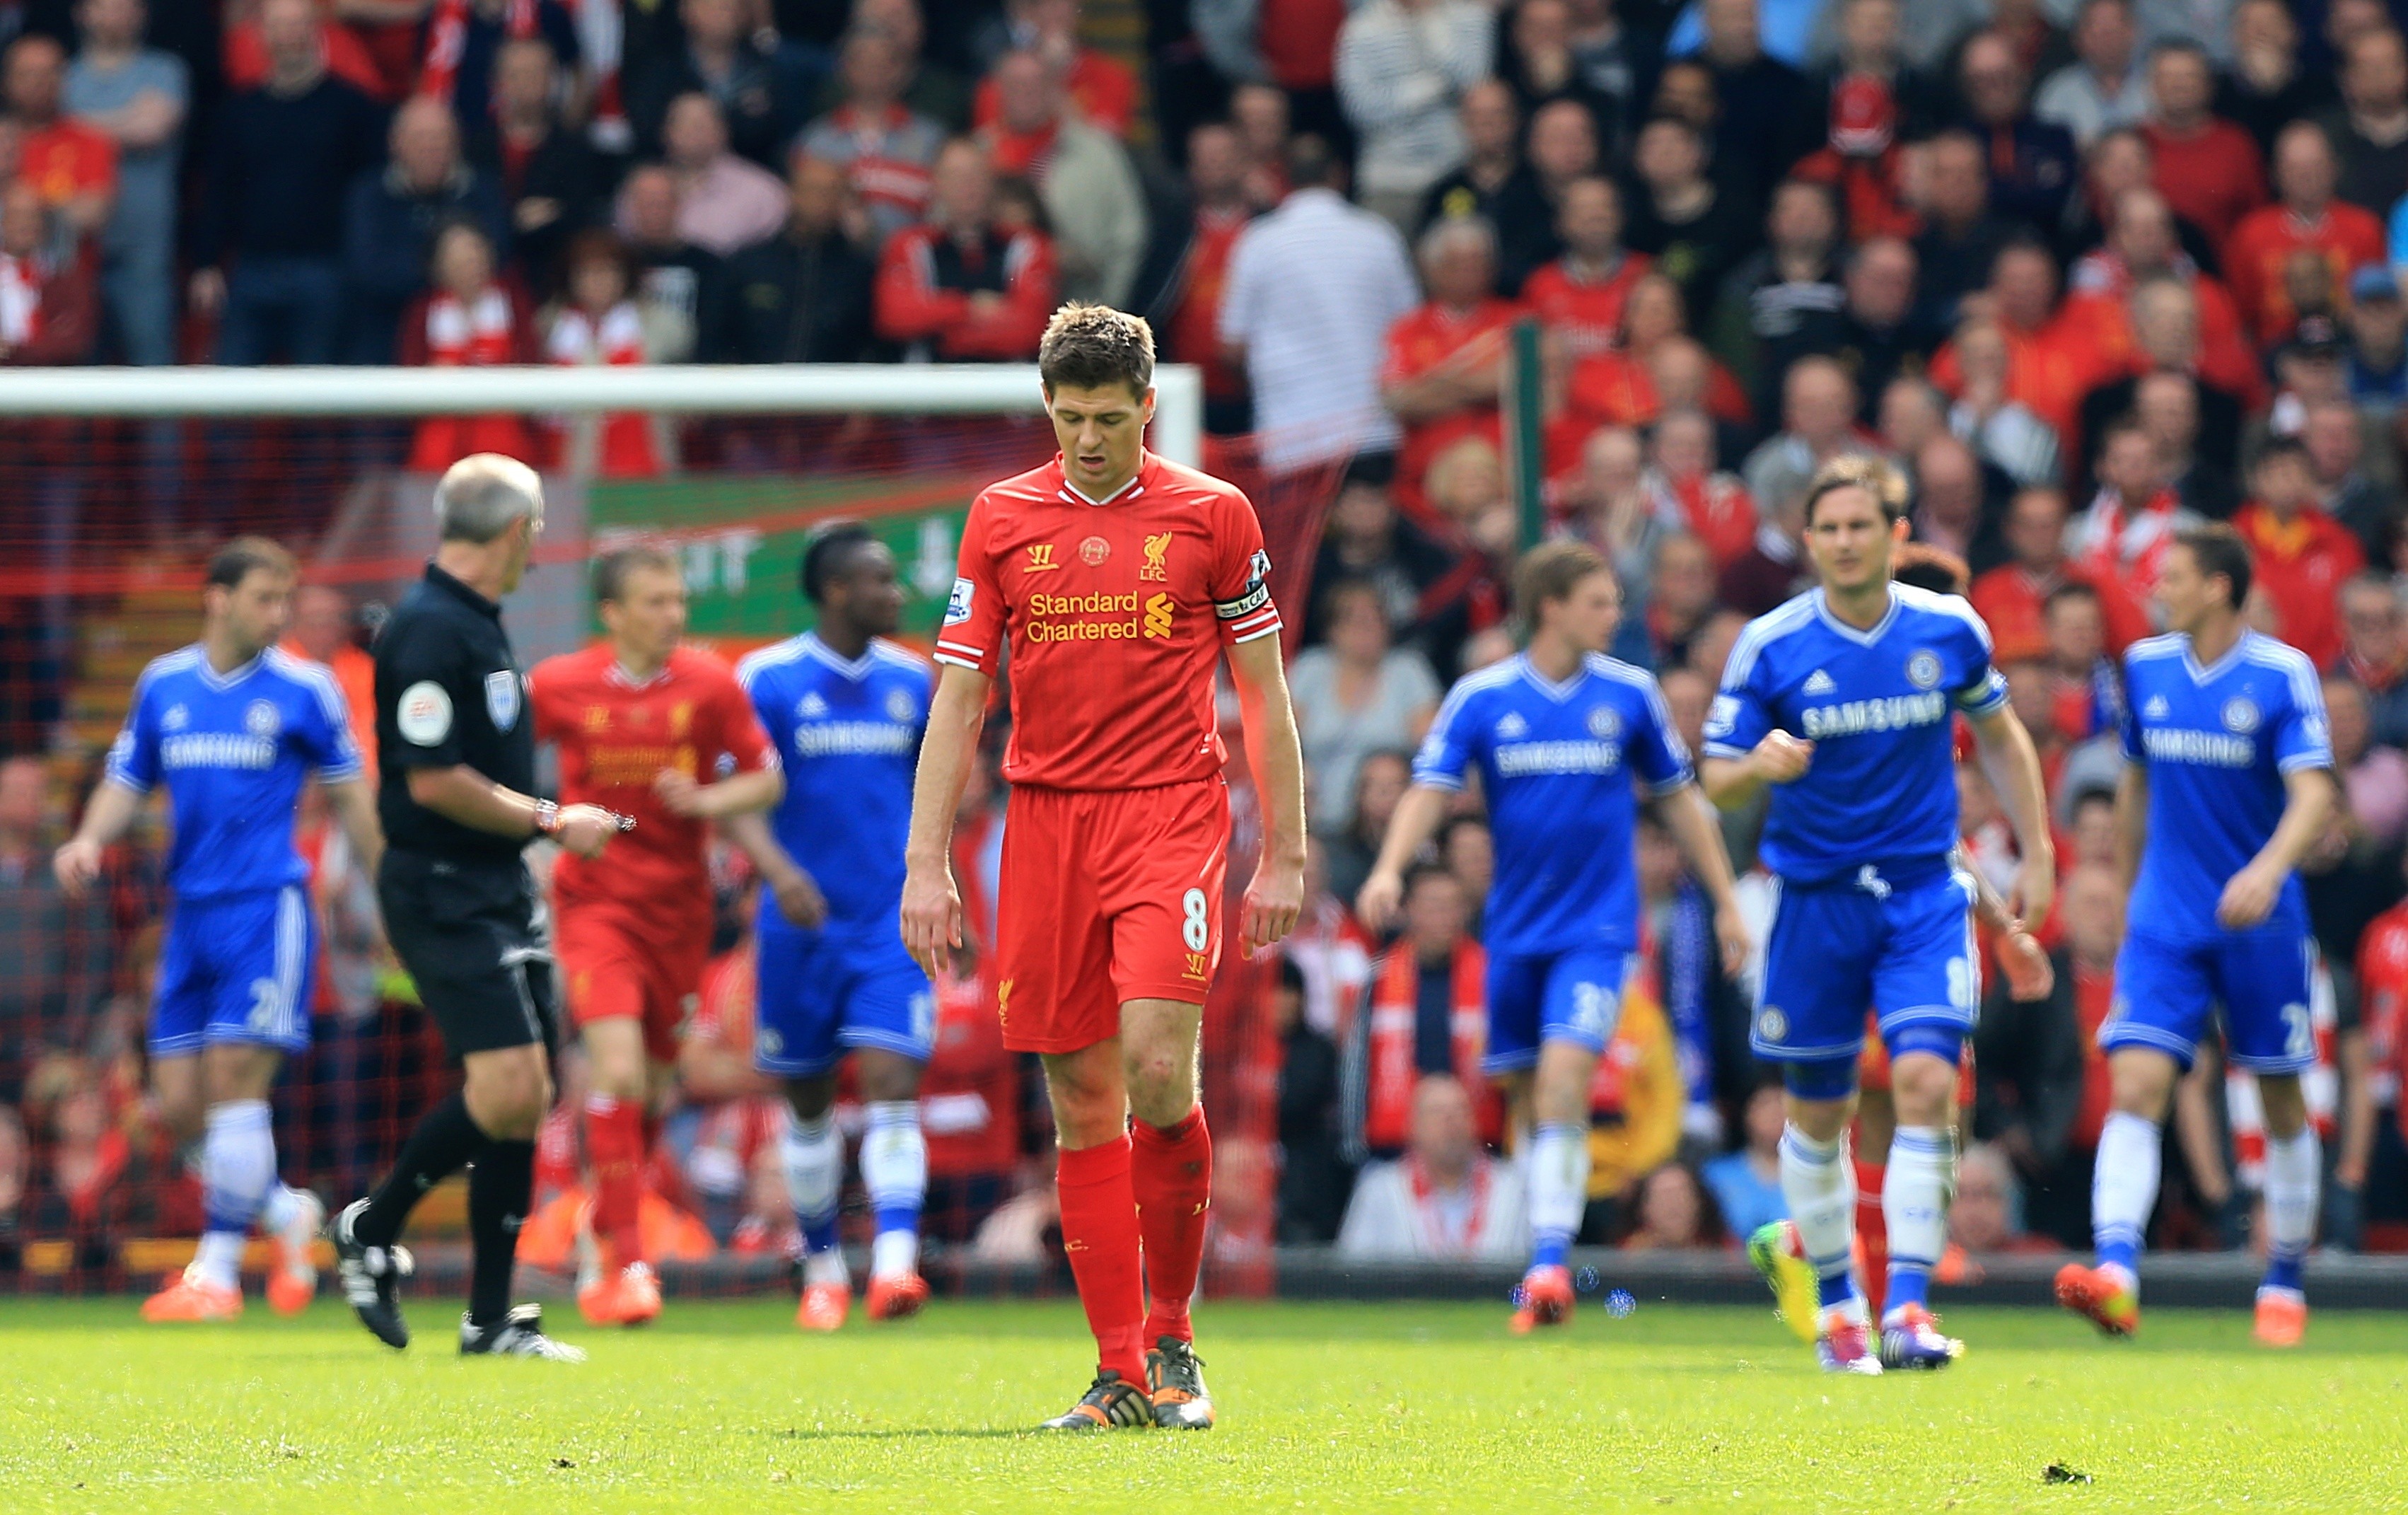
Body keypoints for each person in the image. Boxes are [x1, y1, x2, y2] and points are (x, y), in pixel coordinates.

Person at [900, 305, 1307, 1431]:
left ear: (1147, 406)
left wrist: (1286, 848)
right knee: (1079, 1100)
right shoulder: (999, 518)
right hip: (1042, 826)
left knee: (1154, 1066)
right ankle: (1120, 1368)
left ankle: (1176, 1336)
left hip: (1170, 815)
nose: (1086, 438)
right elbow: (961, 698)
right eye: (1068, 416)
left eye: (1107, 417)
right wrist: (925, 860)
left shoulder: (1213, 512)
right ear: (1047, 406)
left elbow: (1264, 695)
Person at [1702, 455, 2055, 1374]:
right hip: (1815, 905)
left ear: (1897, 537)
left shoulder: (1948, 629)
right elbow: (1714, 770)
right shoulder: (1770, 643)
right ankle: (1836, 1305)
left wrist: (2041, 847)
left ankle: (1907, 1304)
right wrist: (1758, 764)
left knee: (1929, 1086)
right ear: (1809, 540)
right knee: (1819, 1115)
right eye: (1830, 527)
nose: (1847, 541)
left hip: (1920, 898)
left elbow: (2005, 738)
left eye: (1864, 525)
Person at [1356, 540, 1749, 1331]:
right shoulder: (1482, 697)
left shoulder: (1630, 695)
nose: (1615, 615)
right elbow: (1431, 794)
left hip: (1599, 933)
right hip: (1513, 935)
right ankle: (1541, 1254)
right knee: (1532, 1100)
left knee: (1568, 1077)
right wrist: (1390, 868)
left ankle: (1546, 1266)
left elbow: (1680, 804)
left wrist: (1728, 901)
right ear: (1553, 607)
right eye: (1600, 602)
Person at [332, 455, 622, 1362]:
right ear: (514, 532)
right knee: (505, 1088)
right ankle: (371, 1226)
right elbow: (433, 778)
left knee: (528, 1096)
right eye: (534, 529)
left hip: (496, 887)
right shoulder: (427, 632)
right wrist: (549, 819)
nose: (537, 545)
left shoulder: (476, 626)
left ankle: (489, 1317)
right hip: (442, 890)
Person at [52, 538, 380, 1322]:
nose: (280, 616)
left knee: (236, 1086)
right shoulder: (164, 684)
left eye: (286, 600)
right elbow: (127, 779)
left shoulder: (308, 689)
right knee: (181, 1107)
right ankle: (283, 1212)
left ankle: (219, 1274)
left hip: (267, 910)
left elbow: (352, 799)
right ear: (219, 598)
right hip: (188, 916)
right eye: (267, 599)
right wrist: (91, 840)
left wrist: (390, 884)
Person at [2056, 526, 2337, 1349]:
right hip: (2167, 921)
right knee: (2135, 1079)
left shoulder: (2283, 674)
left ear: (2217, 586)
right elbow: (2137, 779)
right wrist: (2135, 882)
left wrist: (2268, 869)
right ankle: (2116, 1274)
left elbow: (2315, 794)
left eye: (2171, 576)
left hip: (2261, 919)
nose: (2155, 589)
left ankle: (2284, 1277)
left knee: (2281, 1098)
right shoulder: (2144, 667)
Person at [528, 545, 781, 1328]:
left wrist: (705, 799)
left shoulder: (710, 684)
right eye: (655, 601)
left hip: (681, 913)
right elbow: (492, 764)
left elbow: (766, 777)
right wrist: (543, 829)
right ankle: (628, 1266)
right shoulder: (560, 685)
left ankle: (607, 1224)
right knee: (618, 1068)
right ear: (613, 613)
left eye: (677, 599)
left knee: (654, 1090)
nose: (673, 614)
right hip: (595, 906)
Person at [724, 528, 936, 1330]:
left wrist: (939, 885)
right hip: (797, 926)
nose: (896, 594)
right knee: (808, 1104)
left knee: (893, 1086)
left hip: (889, 920)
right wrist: (777, 872)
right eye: (881, 581)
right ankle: (821, 1266)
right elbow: (735, 795)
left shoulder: (914, 681)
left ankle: (893, 1268)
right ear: (839, 591)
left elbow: (936, 792)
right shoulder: (769, 679)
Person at [1218, 135, 1421, 475]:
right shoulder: (1379, 236)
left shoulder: (1259, 241)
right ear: (1339, 175)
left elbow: (1231, 347)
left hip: (1291, 438)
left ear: (1284, 178)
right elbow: (1412, 327)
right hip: (1372, 431)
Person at [1334, 1074, 1529, 1260]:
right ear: (1412, 1126)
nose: (1451, 1122)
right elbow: (1353, 1268)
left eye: (1461, 1111)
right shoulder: (1380, 1188)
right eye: (1437, 1112)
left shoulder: (1511, 1187)